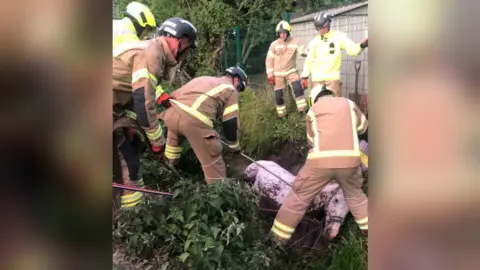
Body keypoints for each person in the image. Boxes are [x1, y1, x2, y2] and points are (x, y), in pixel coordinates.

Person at [112, 17, 198, 209]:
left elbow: (131, 96)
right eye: (188, 45)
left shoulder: (153, 51)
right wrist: (157, 143)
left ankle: (134, 203)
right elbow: (143, 102)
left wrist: (132, 125)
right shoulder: (152, 53)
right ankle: (132, 216)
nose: (186, 52)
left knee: (129, 147)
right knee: (126, 157)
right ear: (178, 40)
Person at [270, 85, 369, 244]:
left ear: (313, 100)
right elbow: (363, 128)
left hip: (320, 163)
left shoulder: (313, 110)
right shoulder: (349, 104)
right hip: (350, 163)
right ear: (331, 94)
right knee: (356, 196)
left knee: (298, 197)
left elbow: (311, 141)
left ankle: (276, 241)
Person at [158, 67, 248, 184]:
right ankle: (218, 189)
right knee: (213, 157)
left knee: (173, 145)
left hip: (171, 114)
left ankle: (168, 173)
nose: (238, 90)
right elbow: (230, 122)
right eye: (240, 87)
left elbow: (176, 95)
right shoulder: (230, 89)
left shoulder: (203, 79)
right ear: (236, 80)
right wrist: (234, 146)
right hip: (192, 121)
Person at [301, 12, 368, 97]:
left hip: (332, 80)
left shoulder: (338, 37)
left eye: (323, 27)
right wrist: (304, 76)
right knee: (318, 107)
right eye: (319, 28)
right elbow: (309, 60)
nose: (321, 30)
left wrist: (361, 46)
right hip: (317, 80)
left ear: (329, 24)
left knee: (335, 107)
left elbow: (353, 50)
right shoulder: (314, 42)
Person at [265, 20, 307, 118]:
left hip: (291, 71)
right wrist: (270, 75)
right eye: (280, 33)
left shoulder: (296, 41)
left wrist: (310, 52)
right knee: (278, 95)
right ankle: (282, 115)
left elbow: (302, 51)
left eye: (284, 33)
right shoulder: (274, 44)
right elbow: (269, 60)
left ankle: (303, 112)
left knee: (298, 88)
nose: (282, 35)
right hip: (277, 74)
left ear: (288, 32)